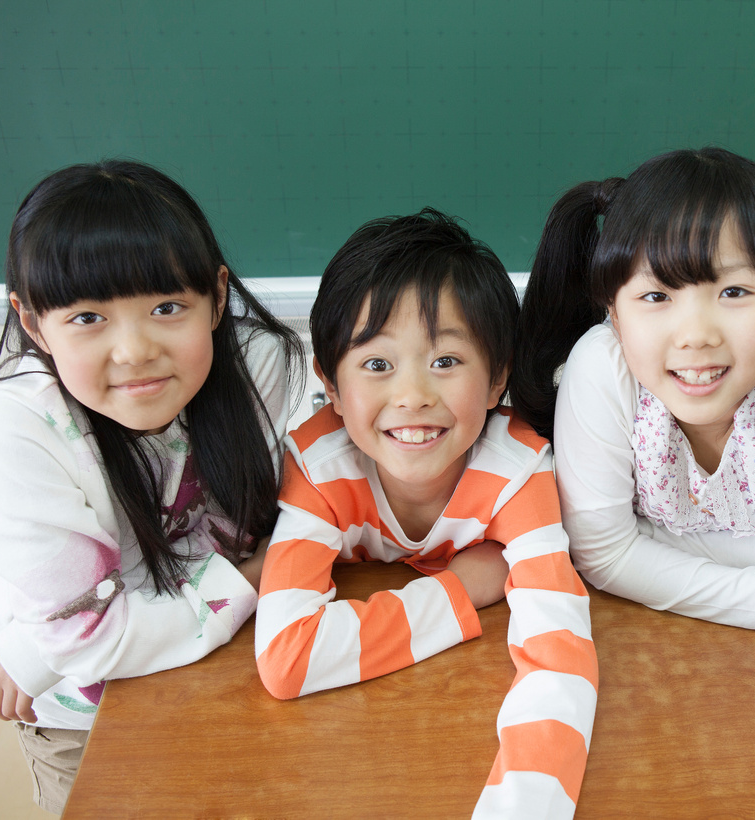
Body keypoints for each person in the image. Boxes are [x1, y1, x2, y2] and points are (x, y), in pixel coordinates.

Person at [0, 159, 302, 813]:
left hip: (227, 673)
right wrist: (254, 578)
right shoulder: (22, 425)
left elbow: (283, 521)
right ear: (34, 325)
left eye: (168, 307)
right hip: (83, 721)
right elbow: (91, 645)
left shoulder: (260, 365)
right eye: (88, 318)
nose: (134, 350)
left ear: (217, 297)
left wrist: (42, 643)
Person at [254, 209, 597, 819]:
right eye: (377, 365)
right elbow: (287, 658)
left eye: (445, 362)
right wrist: (460, 588)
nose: (412, 396)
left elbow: (559, 659)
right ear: (330, 385)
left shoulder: (520, 470)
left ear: (498, 381)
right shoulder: (316, 465)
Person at [509, 147, 755, 632]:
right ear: (614, 313)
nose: (696, 335)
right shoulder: (603, 368)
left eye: (734, 292)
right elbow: (600, 554)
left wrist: (641, 541)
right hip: (634, 637)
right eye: (657, 296)